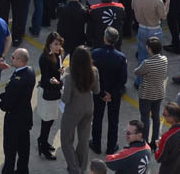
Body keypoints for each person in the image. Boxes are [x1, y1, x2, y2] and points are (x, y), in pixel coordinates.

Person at [61, 45, 101, 174]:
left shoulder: (70, 76)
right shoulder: (94, 71)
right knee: (84, 140)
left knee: (66, 140)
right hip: (88, 107)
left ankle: (74, 169)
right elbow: (97, 90)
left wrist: (62, 88)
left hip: (73, 110)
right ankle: (81, 167)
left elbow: (66, 99)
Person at [91, 27, 128, 155]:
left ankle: (96, 144)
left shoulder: (95, 53)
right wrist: (111, 93)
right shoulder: (121, 57)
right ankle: (111, 146)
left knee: (97, 117)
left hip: (99, 92)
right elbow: (123, 79)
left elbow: (93, 76)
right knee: (113, 120)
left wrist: (102, 92)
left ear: (105, 38)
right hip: (114, 94)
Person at [0, 48, 36, 174]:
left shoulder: (16, 82)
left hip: (14, 120)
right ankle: (22, 170)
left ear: (20, 61)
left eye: (13, 57)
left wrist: (2, 101)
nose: (11, 58)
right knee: (24, 149)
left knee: (10, 151)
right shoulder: (30, 71)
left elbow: (6, 105)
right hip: (25, 117)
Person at [134, 36, 168, 148]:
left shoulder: (147, 63)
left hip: (146, 94)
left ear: (149, 49)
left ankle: (144, 142)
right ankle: (154, 141)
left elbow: (137, 72)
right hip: (159, 93)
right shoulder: (164, 60)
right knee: (156, 117)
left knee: (145, 118)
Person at [36, 32, 65, 159]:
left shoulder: (58, 54)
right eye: (56, 44)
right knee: (47, 120)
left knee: (51, 119)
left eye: (59, 44)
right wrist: (53, 81)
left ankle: (43, 141)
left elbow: (56, 70)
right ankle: (43, 146)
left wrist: (60, 70)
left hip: (55, 91)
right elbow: (45, 77)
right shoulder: (44, 58)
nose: (58, 47)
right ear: (49, 44)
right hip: (48, 92)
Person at [155, 102, 180, 174]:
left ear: (172, 118)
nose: (163, 116)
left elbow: (159, 158)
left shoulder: (167, 137)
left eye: (164, 115)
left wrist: (159, 145)